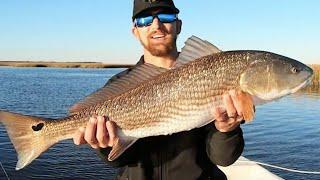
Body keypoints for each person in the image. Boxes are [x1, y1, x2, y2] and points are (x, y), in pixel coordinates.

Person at [73, 0, 249, 179]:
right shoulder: (118, 85)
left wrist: (227, 130)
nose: (156, 25)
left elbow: (224, 158)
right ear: (135, 31)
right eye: (144, 20)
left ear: (178, 25)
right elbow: (118, 161)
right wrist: (104, 144)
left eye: (166, 16)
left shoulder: (215, 75)